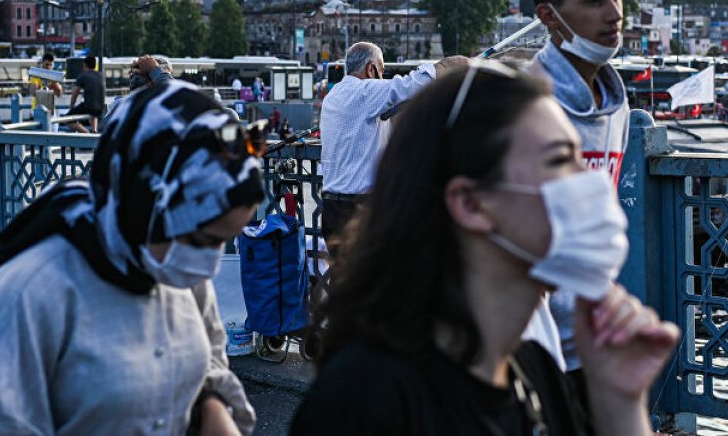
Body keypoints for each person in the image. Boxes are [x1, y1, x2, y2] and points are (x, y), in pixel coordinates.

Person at [290, 63, 679, 435]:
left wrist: (621, 403)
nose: (587, 181)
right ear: (470, 203)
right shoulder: (365, 404)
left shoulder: (535, 367)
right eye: (560, 160)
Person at [0, 81, 262, 435]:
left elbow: (211, 357)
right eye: (204, 239)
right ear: (145, 206)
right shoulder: (35, 290)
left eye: (224, 242)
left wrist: (212, 405)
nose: (210, 263)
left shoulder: (176, 263)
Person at [527, 0, 631, 380]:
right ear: (549, 16)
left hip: (597, 345)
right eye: (594, 1)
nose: (614, 14)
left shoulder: (618, 103)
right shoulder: (526, 106)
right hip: (539, 357)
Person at [318, 41, 468, 259]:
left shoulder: (335, 95)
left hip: (331, 209)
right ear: (371, 69)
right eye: (381, 71)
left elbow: (384, 118)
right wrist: (455, 64)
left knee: (347, 284)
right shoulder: (365, 91)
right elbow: (413, 83)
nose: (382, 77)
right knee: (372, 283)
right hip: (359, 210)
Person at [67, 55, 105, 133]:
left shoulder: (83, 76)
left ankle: (86, 133)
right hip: (100, 108)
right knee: (93, 114)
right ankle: (94, 131)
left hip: (89, 108)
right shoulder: (101, 76)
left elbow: (74, 94)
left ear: (84, 65)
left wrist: (71, 108)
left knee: (68, 120)